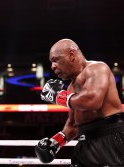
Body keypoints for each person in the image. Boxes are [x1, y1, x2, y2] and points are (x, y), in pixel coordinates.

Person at [35, 38, 124, 166]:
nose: (52, 66)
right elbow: (73, 125)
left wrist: (57, 96)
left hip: (109, 138)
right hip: (85, 144)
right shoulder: (71, 88)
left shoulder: (97, 68)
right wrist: (55, 143)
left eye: (56, 60)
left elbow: (93, 100)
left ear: (71, 55)